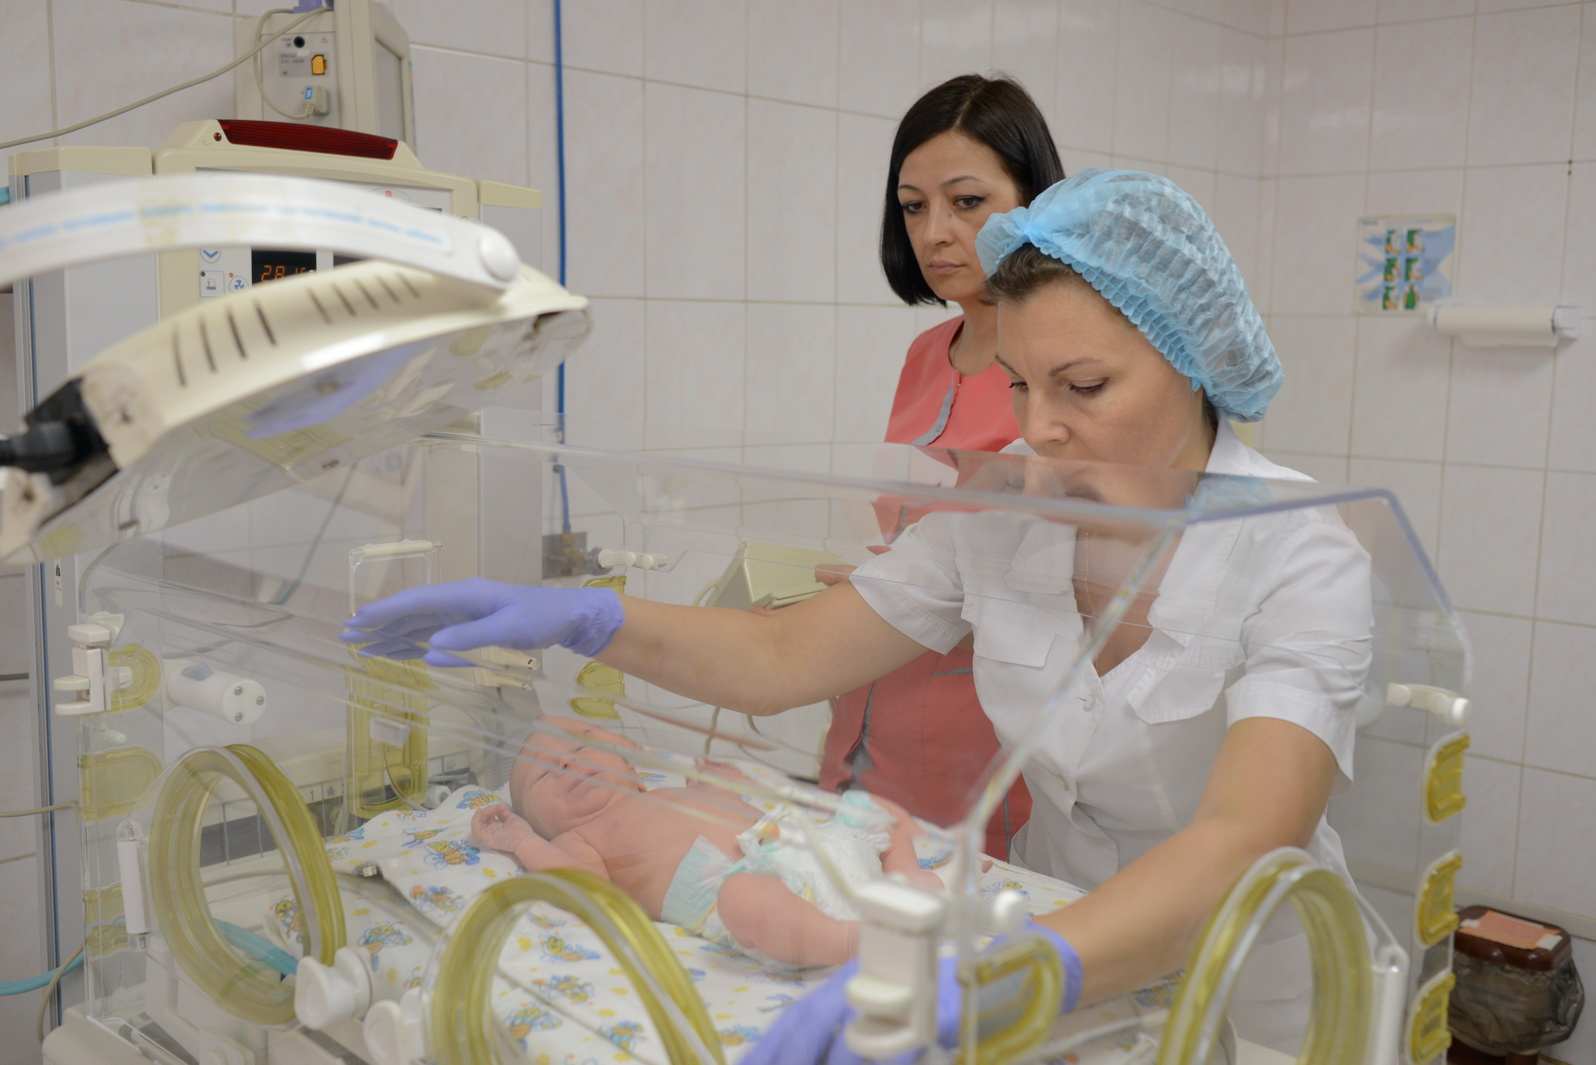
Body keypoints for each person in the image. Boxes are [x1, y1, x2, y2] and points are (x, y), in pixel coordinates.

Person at [344, 170, 1371, 1056]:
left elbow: (1244, 833)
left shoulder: (1300, 549)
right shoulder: (1009, 511)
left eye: (1085, 385)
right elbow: (785, 655)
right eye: (1020, 385)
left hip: (1250, 986)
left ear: (1192, 360)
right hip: (1037, 944)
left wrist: (1005, 976)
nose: (1041, 428)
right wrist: (582, 617)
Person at [823, 74, 1066, 859]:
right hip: (870, 709)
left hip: (984, 738)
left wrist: (916, 592)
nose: (935, 233)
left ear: (1033, 202)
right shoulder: (928, 354)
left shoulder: (1064, 369)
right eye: (913, 206)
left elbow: (1080, 572)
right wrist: (864, 580)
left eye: (967, 202)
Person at [470, 717, 942, 968]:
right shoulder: (581, 838)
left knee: (870, 808)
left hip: (813, 848)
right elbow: (580, 885)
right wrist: (522, 841)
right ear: (542, 824)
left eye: (578, 747)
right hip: (771, 897)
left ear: (631, 766)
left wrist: (724, 785)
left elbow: (743, 808)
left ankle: (904, 875)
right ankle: (847, 941)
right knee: (744, 899)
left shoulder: (673, 792)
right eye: (543, 775)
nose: (566, 764)